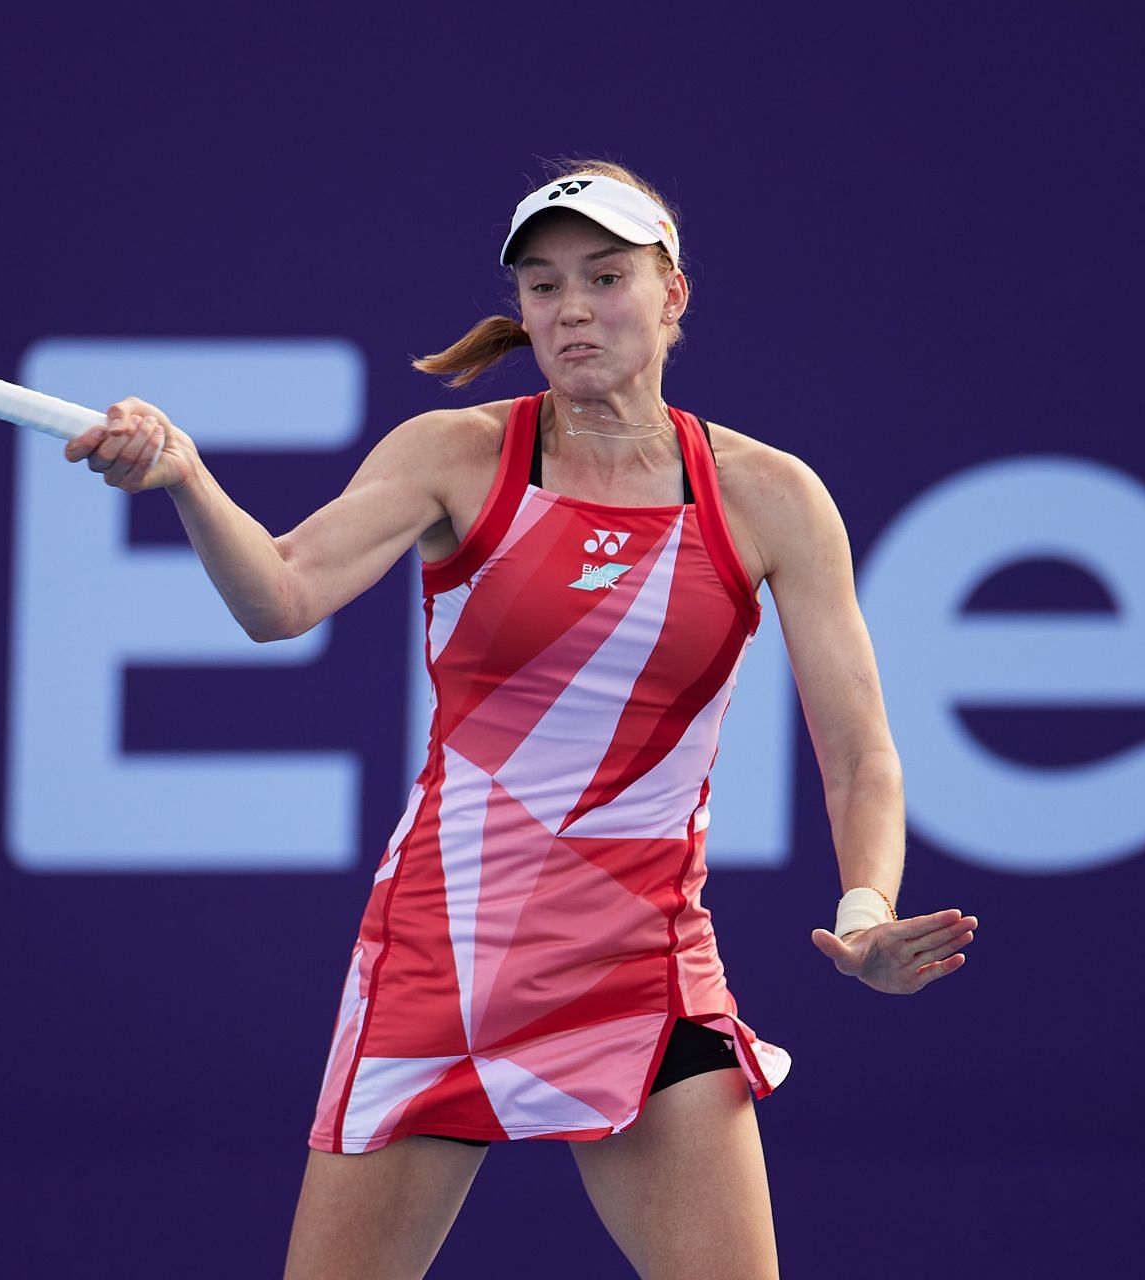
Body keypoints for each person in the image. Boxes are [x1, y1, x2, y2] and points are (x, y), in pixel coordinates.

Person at [63, 159, 979, 1280]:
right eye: (543, 285)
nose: (573, 307)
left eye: (605, 276)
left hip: (645, 968)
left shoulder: (768, 493)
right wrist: (189, 479)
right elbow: (282, 595)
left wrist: (866, 902)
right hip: (446, 955)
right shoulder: (454, 452)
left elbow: (859, 752)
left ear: (674, 293)